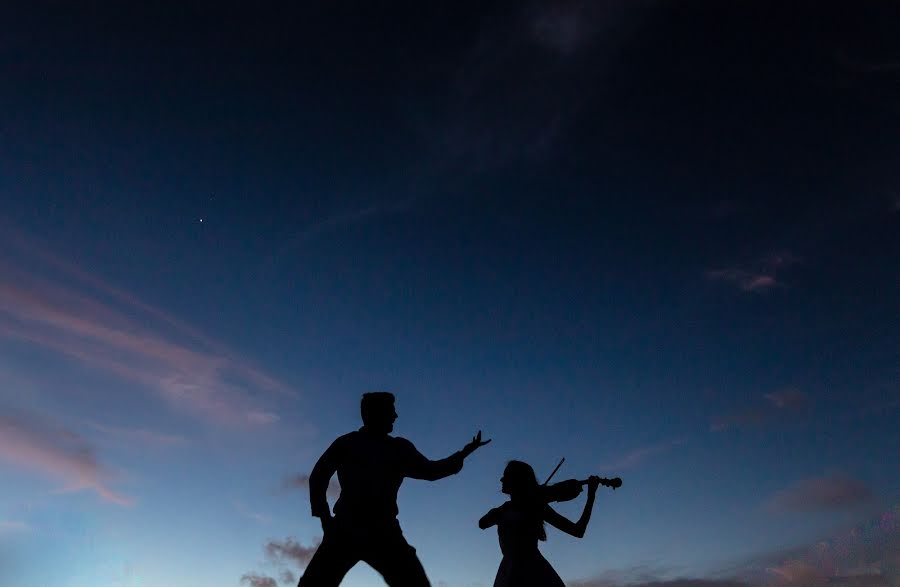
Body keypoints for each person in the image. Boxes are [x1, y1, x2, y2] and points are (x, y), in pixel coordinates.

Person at [298, 391, 491, 587]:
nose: (395, 416)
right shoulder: (351, 444)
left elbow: (431, 471)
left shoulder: (395, 448)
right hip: (354, 528)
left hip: (378, 530)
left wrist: (463, 454)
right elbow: (319, 476)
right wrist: (324, 518)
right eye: (391, 411)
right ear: (373, 414)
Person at [478, 460, 600, 587]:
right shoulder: (504, 510)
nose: (501, 479)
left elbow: (578, 531)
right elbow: (482, 523)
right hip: (509, 571)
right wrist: (498, 511)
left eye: (506, 476)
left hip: (533, 571)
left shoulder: (537, 506)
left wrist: (591, 496)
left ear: (518, 480)